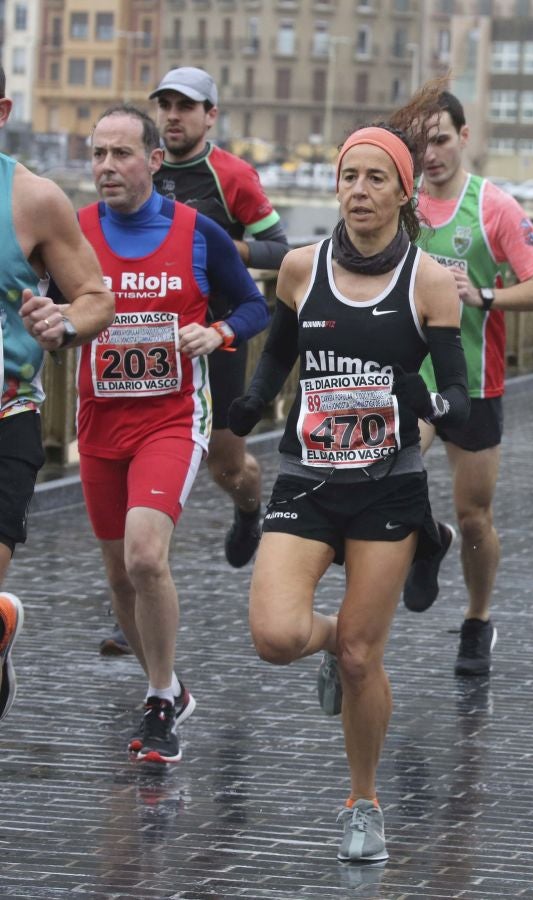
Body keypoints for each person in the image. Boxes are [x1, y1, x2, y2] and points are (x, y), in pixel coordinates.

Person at [227, 124, 470, 861]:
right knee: (274, 637)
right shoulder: (301, 268)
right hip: (308, 476)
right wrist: (248, 407)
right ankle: (334, 637)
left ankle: (363, 802)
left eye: (374, 179)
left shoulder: (427, 280)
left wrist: (429, 404)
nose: (358, 191)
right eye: (348, 177)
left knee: (366, 659)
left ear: (405, 192)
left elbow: (455, 389)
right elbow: (278, 360)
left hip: (387, 485)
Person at [72, 105, 269, 763]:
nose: (106, 167)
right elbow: (38, 300)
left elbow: (253, 306)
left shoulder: (196, 232)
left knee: (145, 555)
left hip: (171, 419)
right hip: (99, 422)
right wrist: (47, 315)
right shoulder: (73, 234)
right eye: (97, 153)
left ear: (154, 161)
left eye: (121, 153)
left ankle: (159, 695)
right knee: (120, 579)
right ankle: (171, 687)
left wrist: (217, 333)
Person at [389, 83, 533, 677]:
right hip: (411, 373)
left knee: (474, 517)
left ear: (464, 137)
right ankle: (424, 539)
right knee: (387, 481)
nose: (429, 154)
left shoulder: (493, 206)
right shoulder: (396, 203)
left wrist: (483, 294)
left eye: (439, 140)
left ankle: (478, 619)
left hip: (475, 379)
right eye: (418, 144)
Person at [0, 64, 115, 722]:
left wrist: (63, 321)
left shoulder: (34, 200)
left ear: (3, 110)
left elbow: (97, 298)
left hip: (7, 417)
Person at [150, 67, 290, 571]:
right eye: (164, 105)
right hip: (151, 341)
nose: (172, 116)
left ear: (210, 116)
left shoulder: (230, 175)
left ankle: (250, 511)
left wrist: (224, 246)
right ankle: (136, 590)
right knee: (147, 465)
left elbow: (281, 249)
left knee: (226, 465)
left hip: (218, 337)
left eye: (184, 107)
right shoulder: (141, 166)